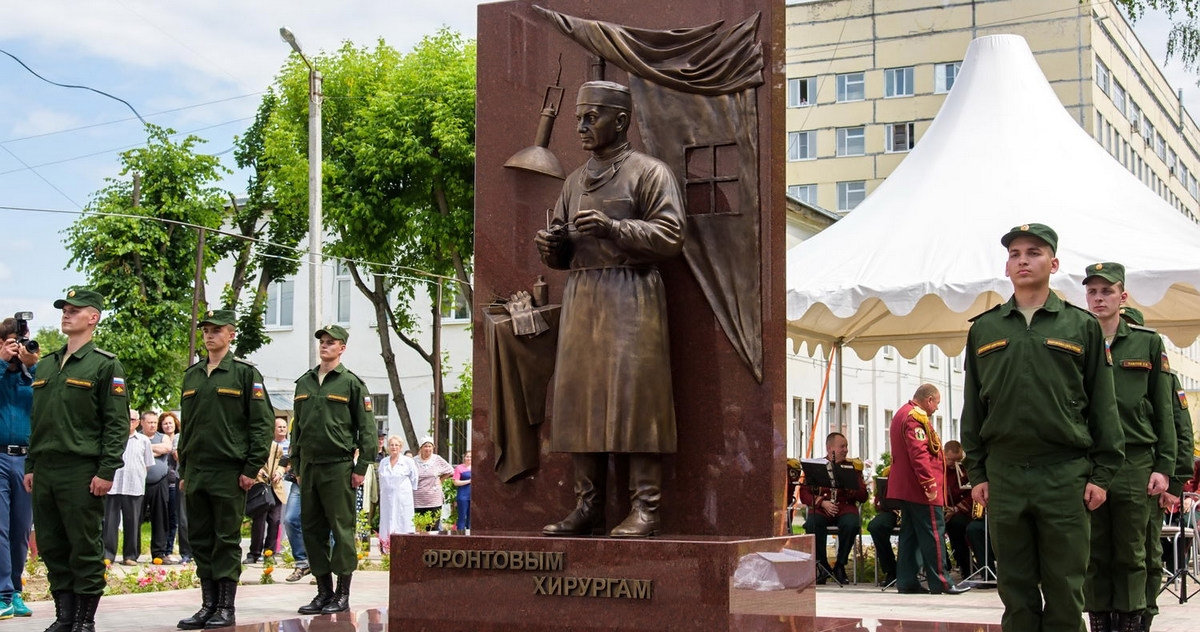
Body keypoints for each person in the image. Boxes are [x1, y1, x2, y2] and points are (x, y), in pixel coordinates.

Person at [535, 80, 686, 539]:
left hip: (631, 294)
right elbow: (563, 247)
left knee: (636, 401)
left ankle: (646, 508)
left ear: (620, 121)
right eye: (578, 117)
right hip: (583, 298)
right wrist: (553, 248)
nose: (581, 126)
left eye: (591, 117)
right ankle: (588, 506)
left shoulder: (649, 173)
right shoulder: (573, 182)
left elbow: (671, 235)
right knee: (580, 401)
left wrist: (614, 228)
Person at [962, 224, 1124, 632]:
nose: (1022, 260)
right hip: (1005, 473)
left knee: (1065, 590)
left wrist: (1102, 474)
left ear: (1053, 264)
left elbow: (1103, 406)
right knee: (1015, 591)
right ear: (1006, 266)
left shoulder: (1080, 326)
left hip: (1064, 473)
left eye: (1033, 252)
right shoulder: (985, 329)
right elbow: (973, 408)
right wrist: (978, 472)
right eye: (1015, 254)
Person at [24, 288, 129, 632]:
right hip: (46, 469)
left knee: (83, 546)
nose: (66, 314)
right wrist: (31, 465)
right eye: (64, 310)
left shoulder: (105, 364)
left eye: (74, 310)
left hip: (81, 470)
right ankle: (64, 616)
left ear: (93, 317)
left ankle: (84, 620)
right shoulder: (47, 364)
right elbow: (38, 420)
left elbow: (116, 423)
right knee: (52, 545)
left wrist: (107, 469)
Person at [1081, 262, 1175, 632]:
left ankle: (1132, 621)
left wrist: (1165, 467)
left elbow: (1164, 409)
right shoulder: (1078, 340)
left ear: (1123, 296)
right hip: (1091, 461)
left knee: (1133, 551)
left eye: (1106, 291)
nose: (1099, 298)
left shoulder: (1146, 342)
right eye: (1092, 291)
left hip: (1135, 460)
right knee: (1094, 550)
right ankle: (1100, 620)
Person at [176, 309, 274, 630]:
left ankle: (225, 607)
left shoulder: (245, 374)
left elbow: (262, 424)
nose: (209, 335)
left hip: (229, 471)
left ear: (231, 335)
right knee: (200, 538)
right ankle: (207, 605)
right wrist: (184, 471)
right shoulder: (192, 375)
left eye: (216, 330)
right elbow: (187, 428)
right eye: (206, 330)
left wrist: (251, 467)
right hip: (197, 470)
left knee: (226, 539)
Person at [291, 324, 375, 615]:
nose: (324, 345)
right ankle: (323, 592)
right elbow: (297, 428)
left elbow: (367, 429)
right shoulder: (304, 383)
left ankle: (342, 593)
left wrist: (361, 466)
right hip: (309, 468)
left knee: (341, 531)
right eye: (322, 341)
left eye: (331, 342)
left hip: (339, 467)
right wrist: (296, 464)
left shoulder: (351, 384)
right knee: (312, 531)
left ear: (342, 348)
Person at [1120, 305, 1194, 632]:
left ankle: (1143, 618)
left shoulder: (1165, 377)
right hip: (1109, 477)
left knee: (1146, 554)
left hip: (1146, 477)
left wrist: (1174, 484)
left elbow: (1180, 432)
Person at [887, 384, 969, 595]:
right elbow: (919, 454)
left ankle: (906, 581)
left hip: (909, 488)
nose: (937, 408)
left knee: (910, 535)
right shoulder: (915, 418)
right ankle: (942, 581)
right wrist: (929, 484)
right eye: (937, 403)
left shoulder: (903, 413)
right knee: (934, 533)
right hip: (921, 489)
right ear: (929, 399)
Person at [0, 317, 38, 619]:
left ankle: (15, 590)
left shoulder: (31, 375)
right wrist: (2, 363)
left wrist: (32, 366)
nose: (18, 348)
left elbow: (48, 399)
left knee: (21, 530)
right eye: (13, 342)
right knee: (0, 528)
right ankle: (3, 594)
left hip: (26, 459)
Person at [798, 432, 867, 584]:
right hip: (822, 508)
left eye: (846, 446)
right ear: (830, 448)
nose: (846, 450)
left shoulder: (852, 467)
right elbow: (804, 494)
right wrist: (822, 502)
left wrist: (850, 486)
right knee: (812, 524)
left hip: (844, 507)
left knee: (851, 524)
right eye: (842, 446)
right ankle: (822, 566)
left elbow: (863, 496)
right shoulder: (816, 467)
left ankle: (840, 565)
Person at [103, 411, 155, 565]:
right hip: (113, 485)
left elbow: (147, 464)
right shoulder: (113, 438)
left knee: (132, 523)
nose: (130, 422)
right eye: (127, 418)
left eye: (133, 419)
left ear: (138, 422)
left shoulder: (144, 440)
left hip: (134, 486)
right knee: (110, 523)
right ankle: (108, 555)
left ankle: (130, 556)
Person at [244, 418, 287, 564]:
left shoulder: (277, 447)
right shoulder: (254, 445)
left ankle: (270, 553)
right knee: (259, 522)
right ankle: (254, 553)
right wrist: (257, 471)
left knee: (275, 521)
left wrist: (279, 472)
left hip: (276, 488)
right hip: (260, 487)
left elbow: (284, 464)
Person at [141, 410, 175, 564]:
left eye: (155, 422)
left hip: (160, 482)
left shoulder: (163, 437)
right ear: (142, 423)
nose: (153, 425)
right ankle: (131, 553)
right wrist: (155, 450)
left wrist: (146, 449)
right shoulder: (136, 437)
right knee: (135, 518)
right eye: (150, 422)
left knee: (160, 518)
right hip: (140, 483)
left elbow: (166, 448)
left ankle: (159, 553)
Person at [376, 436, 418, 552]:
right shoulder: (384, 462)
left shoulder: (408, 462)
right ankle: (386, 547)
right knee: (387, 520)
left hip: (403, 498)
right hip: (387, 498)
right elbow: (381, 479)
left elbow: (414, 479)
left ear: (400, 447)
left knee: (403, 521)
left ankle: (405, 548)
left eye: (396, 445)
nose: (394, 447)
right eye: (391, 445)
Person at [158, 411, 189, 563]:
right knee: (180, 519)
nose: (168, 425)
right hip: (178, 479)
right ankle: (185, 553)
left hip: (193, 477)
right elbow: (177, 455)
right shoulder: (176, 438)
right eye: (165, 423)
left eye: (170, 422)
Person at [942, 440, 973, 578]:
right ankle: (943, 566)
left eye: (958, 460)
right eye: (951, 460)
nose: (954, 464)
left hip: (962, 511)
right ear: (944, 455)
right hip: (943, 508)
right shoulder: (939, 468)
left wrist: (956, 509)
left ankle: (965, 567)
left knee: (957, 525)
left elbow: (972, 494)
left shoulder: (966, 469)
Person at [866, 465, 899, 587]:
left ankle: (908, 569)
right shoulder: (890, 472)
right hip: (892, 512)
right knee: (875, 526)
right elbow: (878, 500)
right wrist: (888, 505)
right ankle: (891, 569)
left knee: (912, 528)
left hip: (913, 512)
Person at [412, 437, 453, 532]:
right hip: (418, 499)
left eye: (430, 446)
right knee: (419, 527)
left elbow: (450, 470)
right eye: (425, 446)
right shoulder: (414, 461)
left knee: (433, 527)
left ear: (433, 447)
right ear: (421, 448)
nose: (428, 449)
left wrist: (441, 480)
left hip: (434, 498)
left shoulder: (437, 459)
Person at [453, 450, 472, 534]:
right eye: (467, 456)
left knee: (471, 518)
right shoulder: (459, 468)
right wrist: (469, 481)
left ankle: (471, 535)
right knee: (462, 517)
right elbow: (455, 482)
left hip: (473, 496)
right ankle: (460, 535)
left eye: (471, 457)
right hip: (463, 495)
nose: (469, 458)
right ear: (464, 457)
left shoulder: (476, 468)